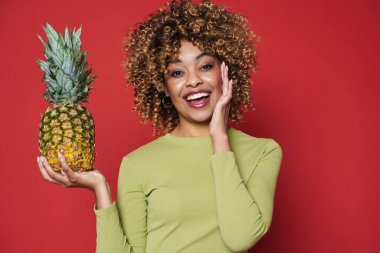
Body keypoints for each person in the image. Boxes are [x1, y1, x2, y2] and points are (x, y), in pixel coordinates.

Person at [37, 0, 283, 252]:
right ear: (164, 86)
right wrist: (100, 188)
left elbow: (240, 237)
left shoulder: (263, 152)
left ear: (225, 72)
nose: (193, 81)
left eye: (205, 66)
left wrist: (219, 138)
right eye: (177, 73)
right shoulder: (137, 163)